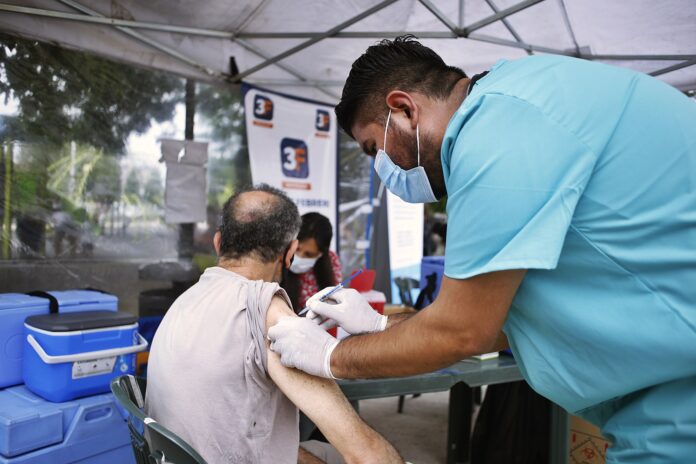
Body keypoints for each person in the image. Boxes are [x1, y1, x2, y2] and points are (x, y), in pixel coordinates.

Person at [268, 36, 696, 463]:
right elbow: (505, 323)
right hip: (667, 393)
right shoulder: (522, 99)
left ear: (403, 108)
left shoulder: (496, 133)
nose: (383, 170)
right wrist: (383, 328)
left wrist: (330, 355)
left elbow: (461, 330)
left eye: (374, 149)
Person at [145, 184, 402, 464]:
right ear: (290, 252)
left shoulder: (183, 302)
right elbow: (365, 454)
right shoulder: (266, 311)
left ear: (218, 242)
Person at [282, 212, 342, 313]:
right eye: (297, 249)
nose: (299, 256)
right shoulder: (276, 259)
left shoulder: (332, 261)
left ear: (321, 254)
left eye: (309, 255)